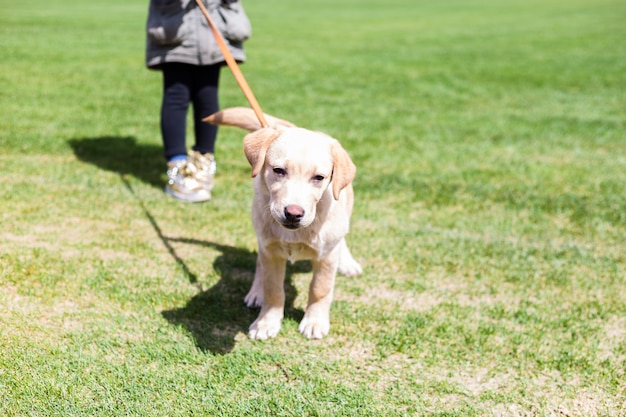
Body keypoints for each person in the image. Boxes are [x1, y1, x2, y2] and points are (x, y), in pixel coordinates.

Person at [146, 0, 251, 202]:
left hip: (211, 30)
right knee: (176, 96)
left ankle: (203, 162)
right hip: (175, 29)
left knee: (207, 97)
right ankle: (177, 168)